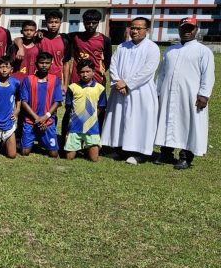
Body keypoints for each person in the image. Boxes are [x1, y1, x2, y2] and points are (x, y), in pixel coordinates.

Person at [154, 17, 216, 170]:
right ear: (179, 29)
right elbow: (161, 73)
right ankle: (166, 153)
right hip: (168, 93)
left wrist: (204, 95)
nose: (187, 31)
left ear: (196, 30)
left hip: (191, 95)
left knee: (189, 124)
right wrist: (157, 91)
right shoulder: (170, 50)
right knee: (166, 121)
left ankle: (185, 157)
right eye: (184, 28)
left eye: (190, 28)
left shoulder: (203, 51)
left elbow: (208, 75)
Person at [100, 17, 160, 165]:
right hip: (119, 91)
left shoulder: (152, 48)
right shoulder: (122, 47)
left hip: (140, 91)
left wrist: (127, 84)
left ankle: (139, 153)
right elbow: (113, 65)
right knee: (120, 119)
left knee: (138, 121)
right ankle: (120, 149)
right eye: (132, 28)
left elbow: (147, 71)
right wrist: (118, 82)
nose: (134, 31)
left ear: (147, 30)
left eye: (138, 28)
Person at [13, 10, 71, 94]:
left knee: (53, 105)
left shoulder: (65, 40)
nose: (53, 25)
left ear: (60, 23)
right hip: (38, 77)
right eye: (50, 22)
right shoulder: (39, 37)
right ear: (46, 23)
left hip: (56, 79)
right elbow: (18, 39)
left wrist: (65, 85)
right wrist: (20, 48)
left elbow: (66, 64)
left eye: (56, 22)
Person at [20, 52, 63, 157]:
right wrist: (37, 118)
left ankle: (42, 140)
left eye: (47, 63)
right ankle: (30, 140)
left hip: (47, 121)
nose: (44, 65)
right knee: (25, 152)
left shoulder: (55, 80)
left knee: (54, 154)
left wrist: (45, 117)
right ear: (36, 63)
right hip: (31, 120)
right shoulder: (28, 79)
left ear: (51, 64)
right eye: (41, 62)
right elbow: (24, 102)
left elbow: (57, 101)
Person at [64, 59, 107, 161]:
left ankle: (88, 146)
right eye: (82, 72)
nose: (85, 74)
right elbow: (69, 106)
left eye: (88, 71)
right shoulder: (72, 87)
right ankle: (77, 145)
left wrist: (92, 118)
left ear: (93, 72)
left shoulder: (100, 88)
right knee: (69, 158)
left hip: (91, 127)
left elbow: (101, 107)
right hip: (75, 126)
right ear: (78, 73)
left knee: (94, 159)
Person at [67, 9, 111, 85]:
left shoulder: (105, 40)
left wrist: (100, 72)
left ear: (98, 23)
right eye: (88, 23)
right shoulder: (75, 36)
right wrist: (42, 31)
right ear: (83, 23)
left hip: (96, 77)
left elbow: (107, 61)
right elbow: (57, 35)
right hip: (77, 77)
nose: (91, 25)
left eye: (94, 23)